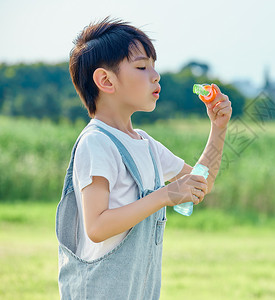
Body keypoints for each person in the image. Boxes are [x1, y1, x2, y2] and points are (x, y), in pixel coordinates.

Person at [55, 17, 232, 299]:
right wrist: (164, 195)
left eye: (154, 65)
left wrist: (218, 128)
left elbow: (201, 184)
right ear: (105, 80)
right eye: (141, 66)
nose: (155, 75)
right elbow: (97, 226)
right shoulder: (96, 142)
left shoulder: (146, 145)